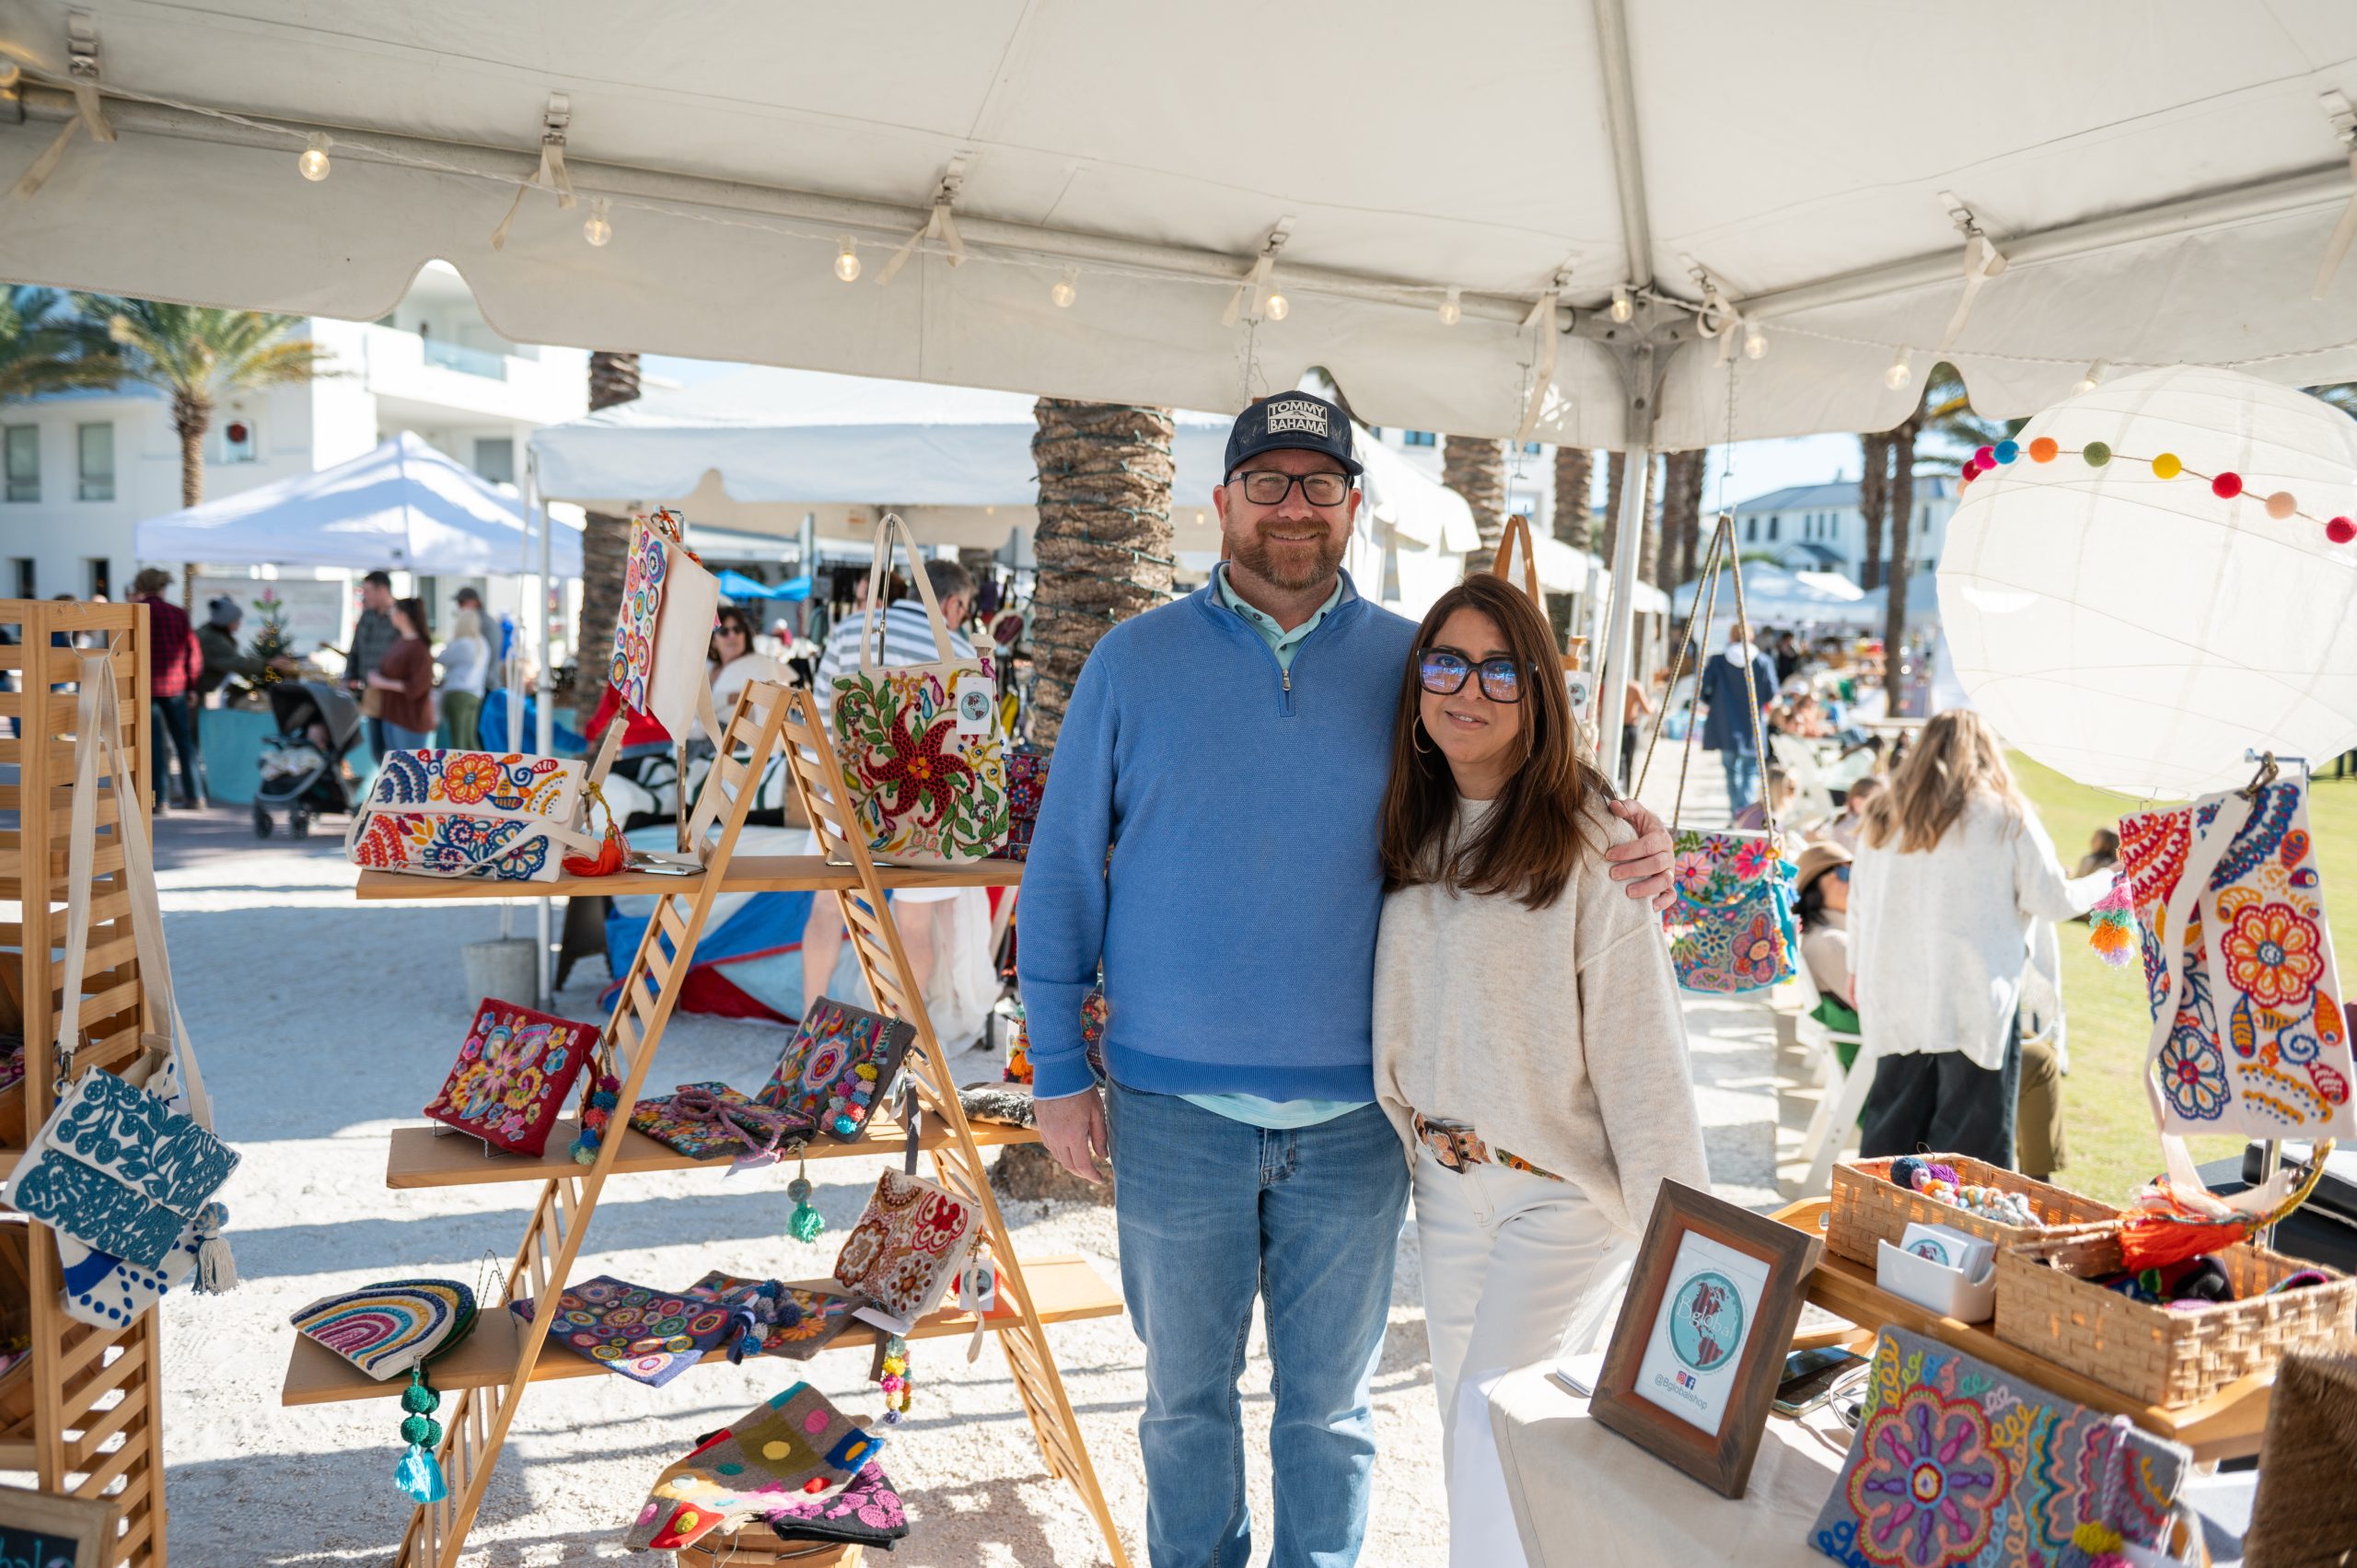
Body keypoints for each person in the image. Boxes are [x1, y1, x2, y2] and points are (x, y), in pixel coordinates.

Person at [1018, 392, 1677, 1568]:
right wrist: (1061, 1076)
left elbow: (1520, 764)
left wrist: (1632, 829)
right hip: (1171, 1115)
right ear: (1219, 501)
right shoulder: (1132, 661)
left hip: (1358, 1127)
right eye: (1264, 481)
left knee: (1328, 1415)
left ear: (1352, 508)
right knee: (1183, 1407)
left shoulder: (1408, 664)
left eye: (1318, 483)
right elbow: (1060, 876)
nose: (1291, 506)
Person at [1371, 574, 1708, 1549]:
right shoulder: (1409, 824)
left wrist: (1680, 1248)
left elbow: (1644, 1058)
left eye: (1498, 669)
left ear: (1538, 693)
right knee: (1462, 1425)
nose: (1465, 688)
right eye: (1444, 662)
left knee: (1489, 1428)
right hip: (1444, 1182)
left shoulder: (1593, 842)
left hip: (1553, 1194)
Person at [1848, 711, 2108, 1168]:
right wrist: (2107, 881)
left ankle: (1874, 1229)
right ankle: (1955, 1237)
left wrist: (1856, 971)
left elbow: (1858, 907)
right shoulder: (2005, 817)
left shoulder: (1883, 816)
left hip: (1895, 992)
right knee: (1968, 1150)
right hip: (1974, 996)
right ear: (1986, 753)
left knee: (1891, 1139)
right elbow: (2053, 899)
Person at [800, 557, 992, 1049]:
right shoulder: (961, 647)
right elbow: (982, 740)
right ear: (952, 603)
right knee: (913, 926)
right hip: (922, 807)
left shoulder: (850, 630)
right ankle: (893, 1045)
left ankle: (807, 1031)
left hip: (845, 796)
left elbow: (816, 720)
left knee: (828, 911)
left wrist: (824, 791)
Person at [127, 569, 203, 810]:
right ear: (163, 587)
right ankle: (196, 796)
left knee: (153, 746)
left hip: (144, 687)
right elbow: (193, 653)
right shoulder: (178, 614)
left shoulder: (134, 613)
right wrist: (192, 685)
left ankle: (159, 800)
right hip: (176, 686)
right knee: (184, 742)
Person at [1699, 627, 1776, 813]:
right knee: (1749, 772)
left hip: (1725, 724)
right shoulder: (1763, 661)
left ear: (1731, 636)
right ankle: (1744, 811)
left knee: (1731, 771)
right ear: (1752, 637)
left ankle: (1736, 811)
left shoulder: (1718, 661)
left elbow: (1703, 691)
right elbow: (1771, 692)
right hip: (1752, 725)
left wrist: (1716, 704)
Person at [1794, 842, 1860, 1051]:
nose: (1855, 882)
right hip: (1875, 1060)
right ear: (1816, 884)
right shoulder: (1830, 942)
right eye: (1845, 873)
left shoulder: (1821, 936)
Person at [366, 597, 437, 751]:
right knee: (394, 767)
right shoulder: (401, 641)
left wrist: (382, 682)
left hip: (409, 719)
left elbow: (419, 686)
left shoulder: (419, 648)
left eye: (393, 611)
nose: (390, 615)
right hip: (393, 714)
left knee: (410, 768)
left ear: (403, 615)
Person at [196, 596, 293, 705]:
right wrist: (269, 663)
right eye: (236, 621)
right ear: (226, 622)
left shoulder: (209, 634)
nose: (239, 625)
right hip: (193, 691)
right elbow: (237, 663)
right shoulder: (213, 640)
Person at [348, 570, 399, 760]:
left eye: (368, 591)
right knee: (377, 750)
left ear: (382, 589)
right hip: (371, 692)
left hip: (394, 693)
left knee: (395, 749)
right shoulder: (367, 616)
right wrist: (349, 676)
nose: (364, 595)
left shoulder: (399, 616)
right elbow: (355, 649)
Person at [708, 604, 783, 714]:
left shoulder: (761, 666)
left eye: (738, 629)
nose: (732, 635)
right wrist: (728, 698)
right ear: (713, 641)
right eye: (724, 631)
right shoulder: (706, 668)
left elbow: (771, 710)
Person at [436, 606, 491, 749]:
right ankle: (480, 769)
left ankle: (460, 770)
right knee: (470, 739)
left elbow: (441, 658)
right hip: (475, 694)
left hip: (458, 694)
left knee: (458, 740)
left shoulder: (462, 643)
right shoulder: (482, 644)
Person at [1824, 773, 1884, 854]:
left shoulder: (1842, 820)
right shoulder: (1849, 827)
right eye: (1876, 800)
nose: (1883, 804)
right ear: (1858, 802)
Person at [1730, 763, 1795, 832]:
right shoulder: (1769, 819)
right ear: (1777, 790)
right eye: (1791, 788)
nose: (1794, 793)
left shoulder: (1754, 809)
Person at [1619, 673, 1655, 789]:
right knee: (1628, 762)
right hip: (1629, 728)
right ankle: (1626, 791)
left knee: (1619, 763)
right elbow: (1647, 710)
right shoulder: (1634, 687)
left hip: (1612, 729)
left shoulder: (1610, 684)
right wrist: (1653, 703)